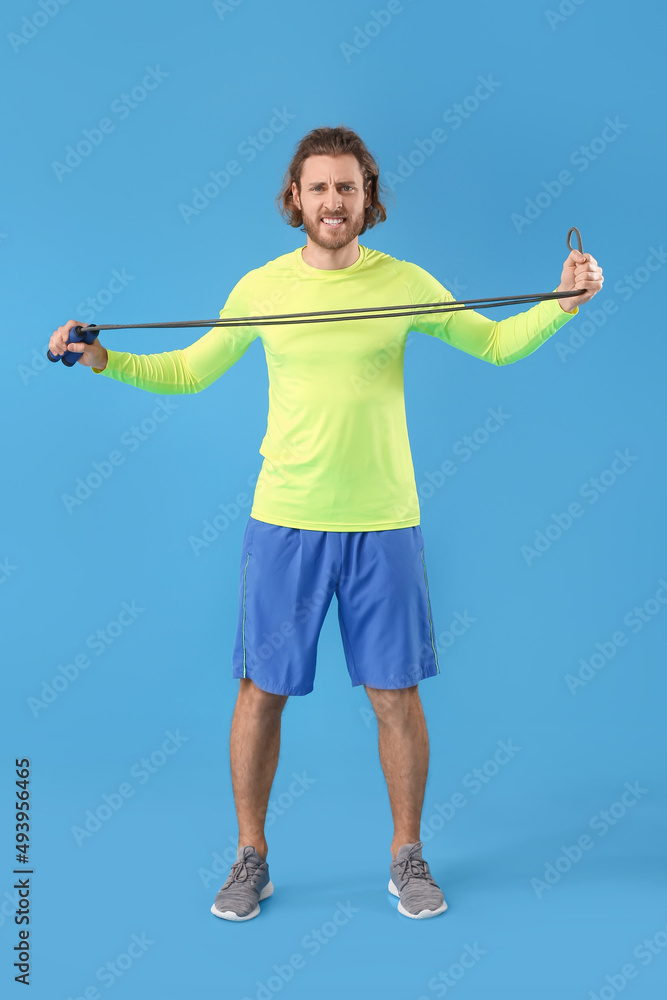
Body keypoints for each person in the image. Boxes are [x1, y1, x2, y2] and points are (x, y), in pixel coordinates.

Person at [48, 125, 604, 922]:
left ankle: (405, 857)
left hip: (384, 523)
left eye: (347, 187)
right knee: (260, 693)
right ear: (295, 198)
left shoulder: (403, 281)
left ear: (366, 198)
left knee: (395, 695)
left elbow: (494, 346)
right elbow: (185, 371)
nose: (333, 201)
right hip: (285, 521)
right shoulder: (262, 289)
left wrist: (563, 304)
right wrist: (103, 358)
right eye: (319, 188)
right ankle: (251, 858)